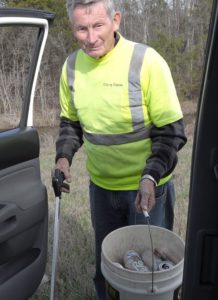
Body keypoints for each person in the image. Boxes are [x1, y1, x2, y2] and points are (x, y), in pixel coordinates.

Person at [54, 0, 187, 299]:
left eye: (98, 25)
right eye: (81, 29)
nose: (90, 38)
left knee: (152, 274)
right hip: (101, 190)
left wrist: (150, 176)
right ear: (73, 29)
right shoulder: (71, 68)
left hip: (149, 189)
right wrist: (63, 159)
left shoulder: (147, 61)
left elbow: (172, 132)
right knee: (110, 267)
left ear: (116, 20)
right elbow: (70, 124)